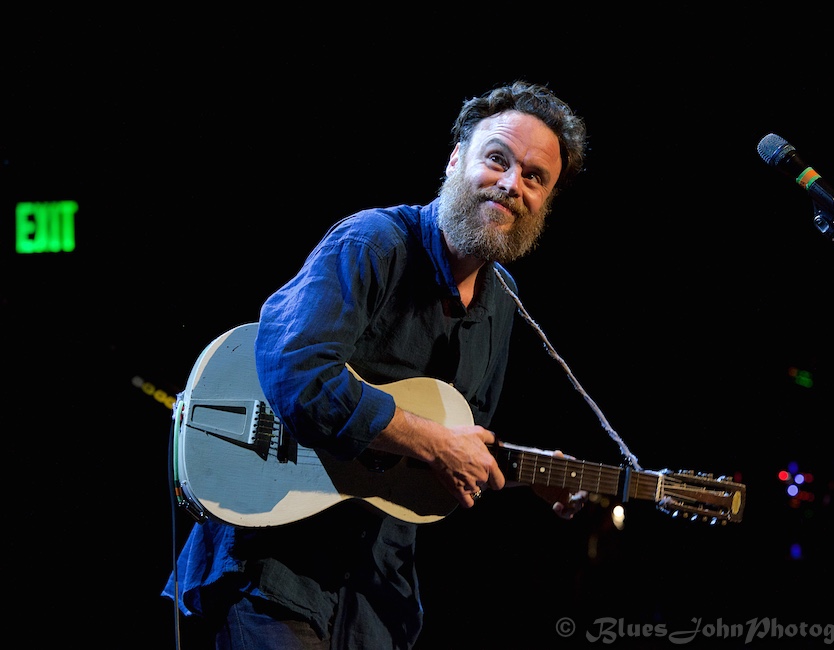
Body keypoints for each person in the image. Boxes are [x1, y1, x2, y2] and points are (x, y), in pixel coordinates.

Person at [163, 80, 589, 649]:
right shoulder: (376, 243)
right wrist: (433, 441)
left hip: (376, 595)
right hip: (274, 557)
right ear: (456, 158)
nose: (513, 184)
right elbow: (298, 370)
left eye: (535, 177)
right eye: (497, 159)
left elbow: (453, 444)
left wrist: (525, 475)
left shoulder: (502, 303)